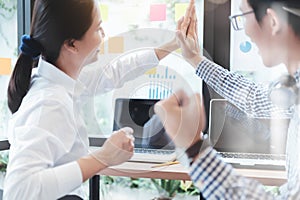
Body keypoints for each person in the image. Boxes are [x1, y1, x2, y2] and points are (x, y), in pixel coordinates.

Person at [3, 0, 195, 199]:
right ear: (71, 44)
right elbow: (18, 191)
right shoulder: (50, 103)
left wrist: (174, 43)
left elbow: (115, 72)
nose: (104, 36)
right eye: (98, 29)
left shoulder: (59, 78)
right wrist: (103, 157)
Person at [155, 0, 300, 199]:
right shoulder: (293, 90)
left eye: (243, 17)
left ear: (273, 21)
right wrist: (194, 58)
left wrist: (194, 147)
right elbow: (254, 99)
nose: (245, 31)